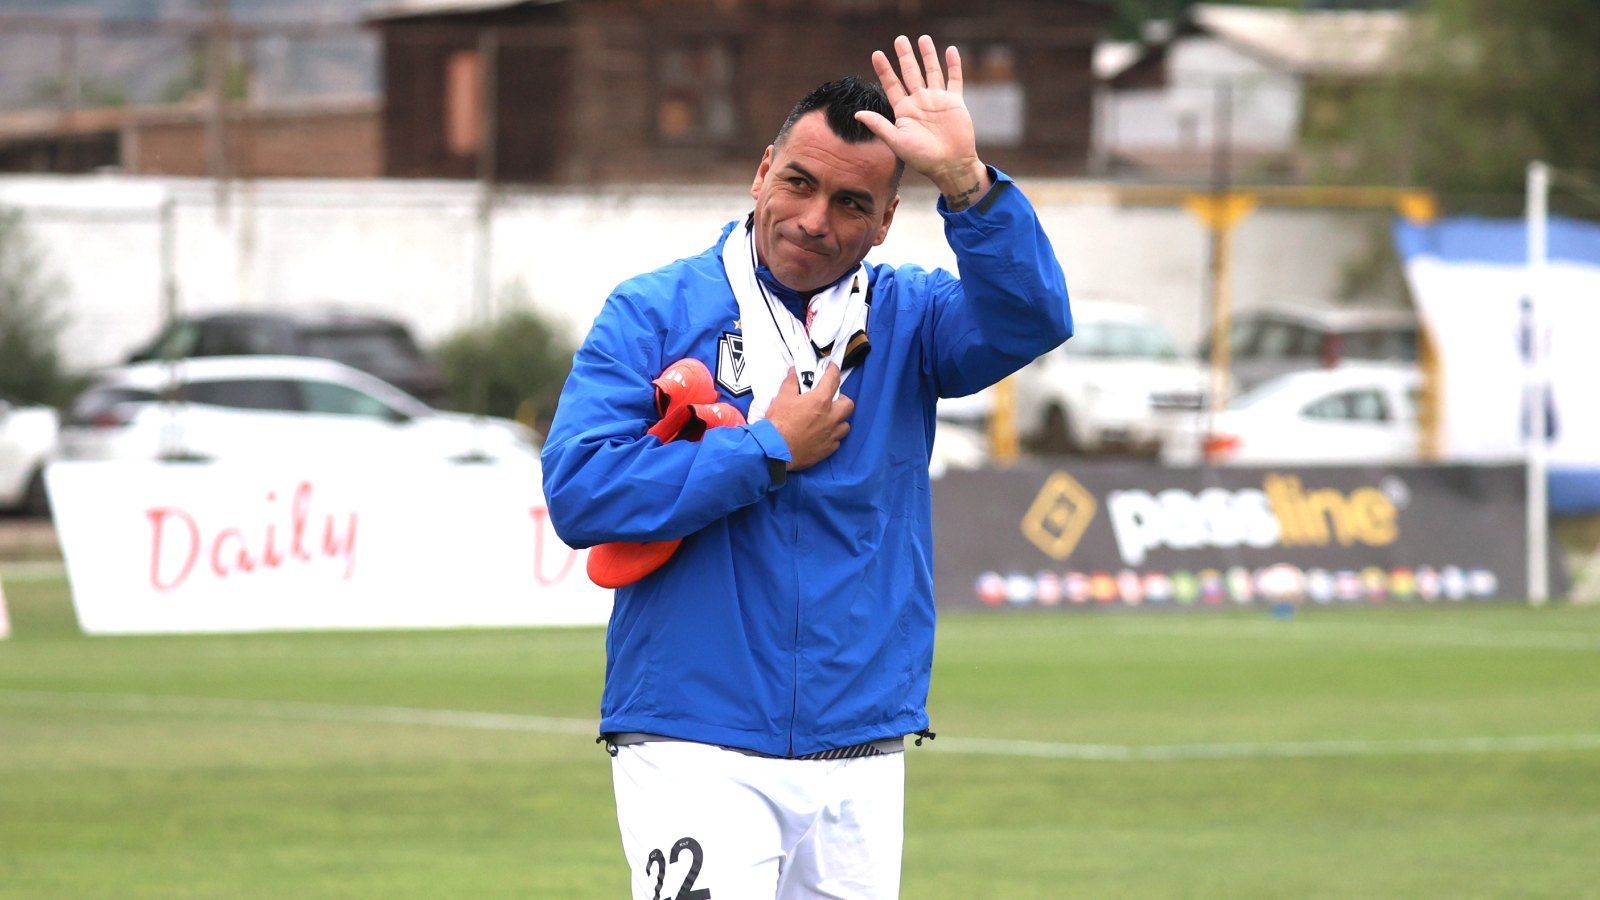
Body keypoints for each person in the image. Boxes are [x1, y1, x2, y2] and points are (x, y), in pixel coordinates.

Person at [541, 34, 1072, 899]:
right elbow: (580, 490)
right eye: (798, 183)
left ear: (887, 219)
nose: (815, 219)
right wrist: (765, 449)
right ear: (761, 172)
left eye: (851, 202)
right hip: (695, 737)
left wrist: (969, 185)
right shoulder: (654, 310)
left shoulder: (911, 317)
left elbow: (1032, 319)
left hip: (858, 744)